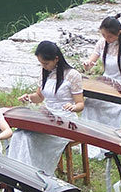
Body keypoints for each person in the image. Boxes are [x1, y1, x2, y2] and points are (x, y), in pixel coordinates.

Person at [5, 40, 84, 184]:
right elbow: (39, 97)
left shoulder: (72, 75)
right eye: (41, 64)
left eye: (46, 63)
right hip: (47, 116)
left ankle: (37, 177)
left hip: (65, 120)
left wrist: (73, 107)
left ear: (56, 59)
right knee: (19, 135)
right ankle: (19, 176)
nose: (44, 67)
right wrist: (29, 97)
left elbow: (80, 104)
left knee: (29, 139)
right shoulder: (45, 73)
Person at [78, 15, 121, 148]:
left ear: (118, 33)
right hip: (106, 82)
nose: (107, 39)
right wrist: (87, 64)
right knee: (89, 103)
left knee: (110, 107)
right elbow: (92, 62)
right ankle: (91, 140)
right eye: (104, 36)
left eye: (110, 37)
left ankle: (110, 139)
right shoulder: (102, 43)